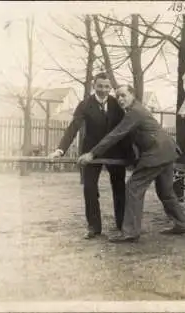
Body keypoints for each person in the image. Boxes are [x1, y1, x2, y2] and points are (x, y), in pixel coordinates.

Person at [77, 85, 185, 243]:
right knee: (165, 191)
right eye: (118, 97)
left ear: (132, 95)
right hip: (168, 151)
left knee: (133, 188)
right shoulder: (136, 110)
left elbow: (116, 135)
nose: (120, 99)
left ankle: (130, 232)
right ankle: (181, 224)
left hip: (156, 153)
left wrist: (92, 153)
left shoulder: (134, 112)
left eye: (124, 95)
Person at [49, 73, 134, 240]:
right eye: (100, 86)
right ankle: (94, 227)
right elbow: (73, 128)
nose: (103, 90)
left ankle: (122, 224)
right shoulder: (85, 104)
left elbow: (126, 129)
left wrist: (130, 156)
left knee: (119, 187)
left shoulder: (116, 104)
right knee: (89, 188)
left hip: (114, 151)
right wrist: (60, 150)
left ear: (110, 88)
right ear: (94, 86)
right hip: (90, 152)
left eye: (106, 87)